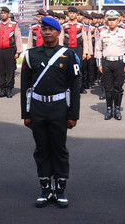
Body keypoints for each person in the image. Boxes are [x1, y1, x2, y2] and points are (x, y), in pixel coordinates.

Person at [20, 16, 81, 209]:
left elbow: (75, 85)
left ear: (57, 32)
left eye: (51, 29)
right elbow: (25, 87)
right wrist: (26, 114)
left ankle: (60, 189)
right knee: (41, 149)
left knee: (59, 149)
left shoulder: (68, 55)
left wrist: (73, 115)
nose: (47, 32)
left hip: (59, 108)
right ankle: (45, 189)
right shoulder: (31, 55)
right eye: (43, 29)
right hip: (38, 109)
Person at [95, 10, 125, 120]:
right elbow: (98, 49)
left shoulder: (124, 33)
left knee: (118, 87)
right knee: (108, 87)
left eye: (114, 20)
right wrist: (99, 64)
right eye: (110, 20)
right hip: (107, 62)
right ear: (106, 21)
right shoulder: (102, 33)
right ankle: (108, 109)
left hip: (119, 62)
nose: (111, 22)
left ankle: (117, 109)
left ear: (118, 20)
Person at [0, 6, 23, 98]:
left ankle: (9, 89)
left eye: (4, 13)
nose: (3, 15)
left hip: (10, 50)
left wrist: (18, 52)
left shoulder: (14, 25)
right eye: (1, 13)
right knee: (0, 70)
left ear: (8, 14)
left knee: (10, 70)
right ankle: (2, 89)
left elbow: (18, 38)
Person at [60, 7, 89, 93]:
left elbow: (85, 39)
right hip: (67, 49)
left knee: (78, 69)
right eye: (70, 13)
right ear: (68, 14)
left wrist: (85, 52)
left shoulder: (81, 25)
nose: (72, 15)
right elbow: (61, 39)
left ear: (77, 14)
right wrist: (61, 51)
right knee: (66, 69)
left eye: (74, 13)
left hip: (78, 50)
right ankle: (67, 88)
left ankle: (78, 88)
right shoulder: (64, 26)